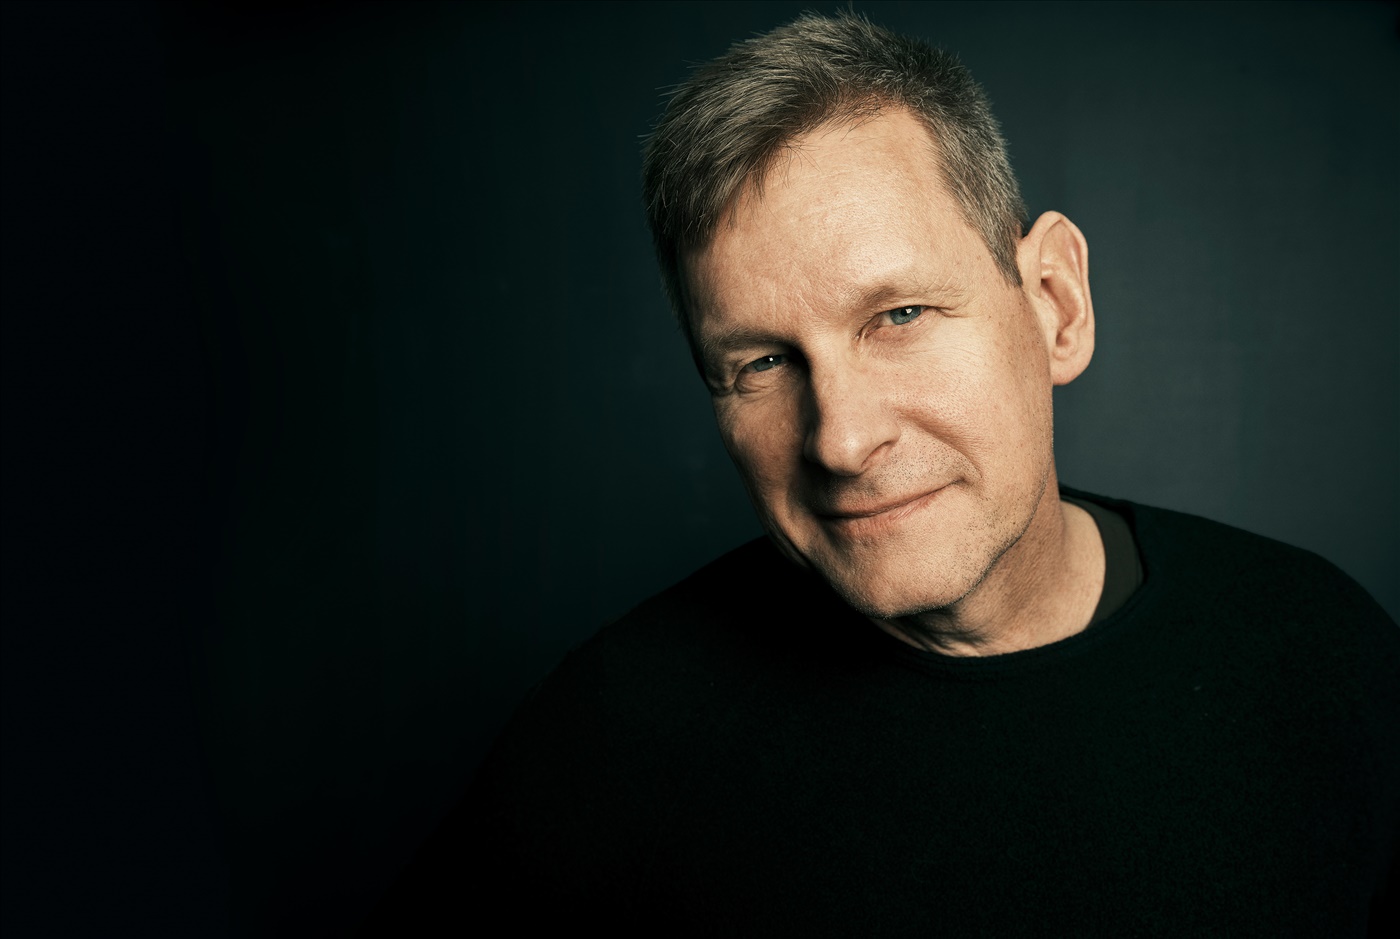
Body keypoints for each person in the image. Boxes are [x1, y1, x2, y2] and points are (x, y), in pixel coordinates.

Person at [361, 12, 1397, 935]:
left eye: (898, 315)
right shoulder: (610, 745)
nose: (840, 441)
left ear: (1054, 303)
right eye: (762, 364)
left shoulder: (1317, 649)